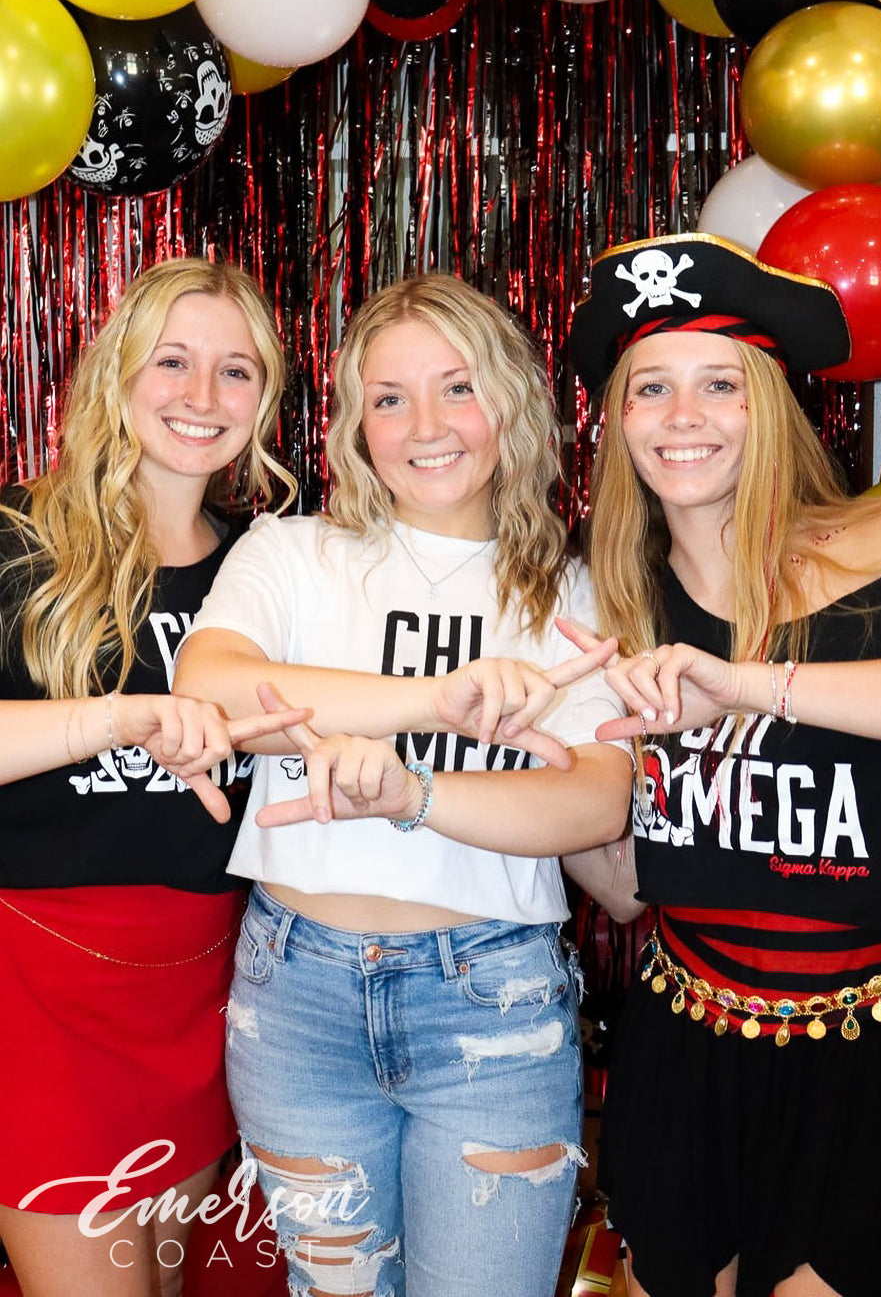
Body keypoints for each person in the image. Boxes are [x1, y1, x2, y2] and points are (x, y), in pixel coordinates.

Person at [173, 271, 635, 1297]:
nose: (424, 425)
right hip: (295, 998)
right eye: (389, 398)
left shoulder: (575, 588)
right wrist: (437, 699)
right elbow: (210, 683)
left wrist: (408, 795)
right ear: (356, 426)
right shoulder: (293, 551)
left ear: (511, 402)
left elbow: (594, 800)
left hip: (493, 1003)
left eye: (456, 387)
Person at [563, 232, 881, 1297]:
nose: (683, 416)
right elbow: (627, 890)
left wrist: (746, 684)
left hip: (867, 1052)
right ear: (617, 420)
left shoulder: (879, 540)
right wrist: (558, 765)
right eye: (650, 387)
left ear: (770, 404)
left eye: (719, 383)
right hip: (686, 1041)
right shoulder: (607, 604)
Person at [0, 257, 309, 1297]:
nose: (201, 395)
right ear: (118, 369)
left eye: (235, 370)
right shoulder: (14, 537)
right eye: (172, 361)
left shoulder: (270, 566)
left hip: (207, 988)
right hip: (40, 987)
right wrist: (120, 717)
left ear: (264, 398)